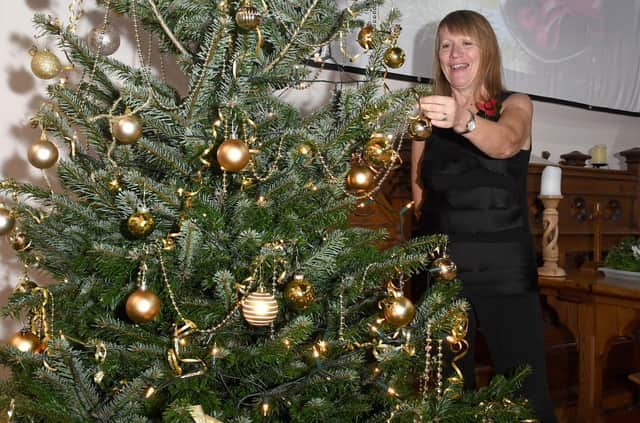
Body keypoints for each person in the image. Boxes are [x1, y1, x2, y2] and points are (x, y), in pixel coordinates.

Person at [411, 10, 557, 423]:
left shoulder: (516, 104)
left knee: (526, 391)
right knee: (446, 394)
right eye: (445, 44)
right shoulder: (427, 120)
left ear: (486, 50)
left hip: (503, 270)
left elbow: (507, 144)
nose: (454, 53)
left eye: (465, 43)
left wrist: (463, 119)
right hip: (439, 272)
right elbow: (421, 192)